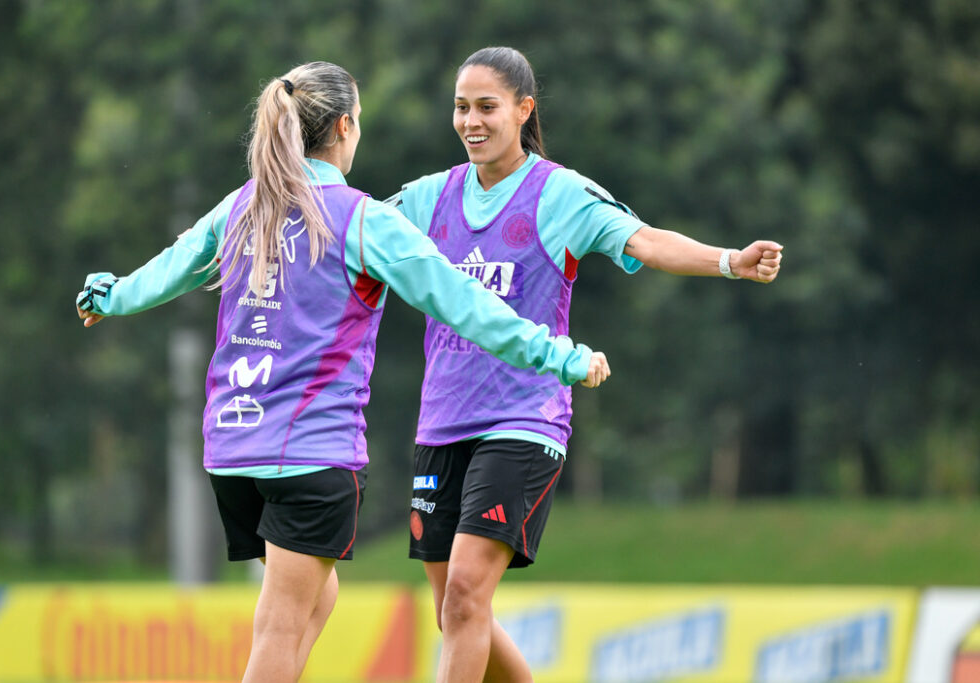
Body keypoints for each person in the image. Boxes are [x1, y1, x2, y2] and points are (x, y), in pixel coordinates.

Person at [74, 61, 610, 683]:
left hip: (230, 451)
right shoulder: (361, 218)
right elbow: (466, 305)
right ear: (345, 127)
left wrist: (109, 295)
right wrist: (557, 354)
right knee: (280, 621)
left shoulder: (244, 206)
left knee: (315, 597)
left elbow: (171, 269)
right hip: (310, 457)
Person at [386, 46, 784, 683]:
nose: (471, 122)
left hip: (524, 421)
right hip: (441, 424)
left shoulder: (559, 194)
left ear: (524, 109)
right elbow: (347, 233)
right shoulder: (428, 198)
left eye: (487, 107)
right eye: (461, 108)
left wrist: (729, 259)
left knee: (464, 593)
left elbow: (648, 241)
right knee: (455, 611)